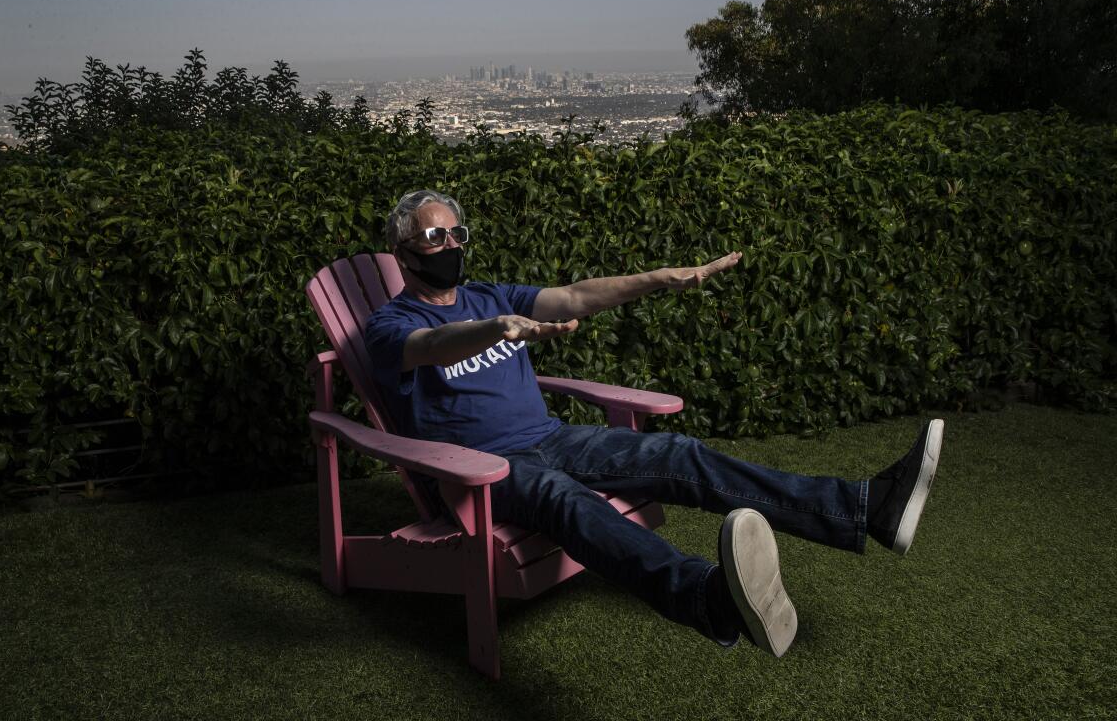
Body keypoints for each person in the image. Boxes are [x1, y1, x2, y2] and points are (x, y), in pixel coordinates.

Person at [364, 189, 943, 657]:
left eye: (456, 234)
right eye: (434, 236)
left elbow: (573, 297)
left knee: (676, 453)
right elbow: (432, 346)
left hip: (551, 437)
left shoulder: (489, 293)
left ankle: (866, 509)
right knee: (565, 499)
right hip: (481, 471)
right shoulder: (390, 325)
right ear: (403, 251)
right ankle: (707, 597)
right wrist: (498, 329)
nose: (449, 245)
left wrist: (660, 278)